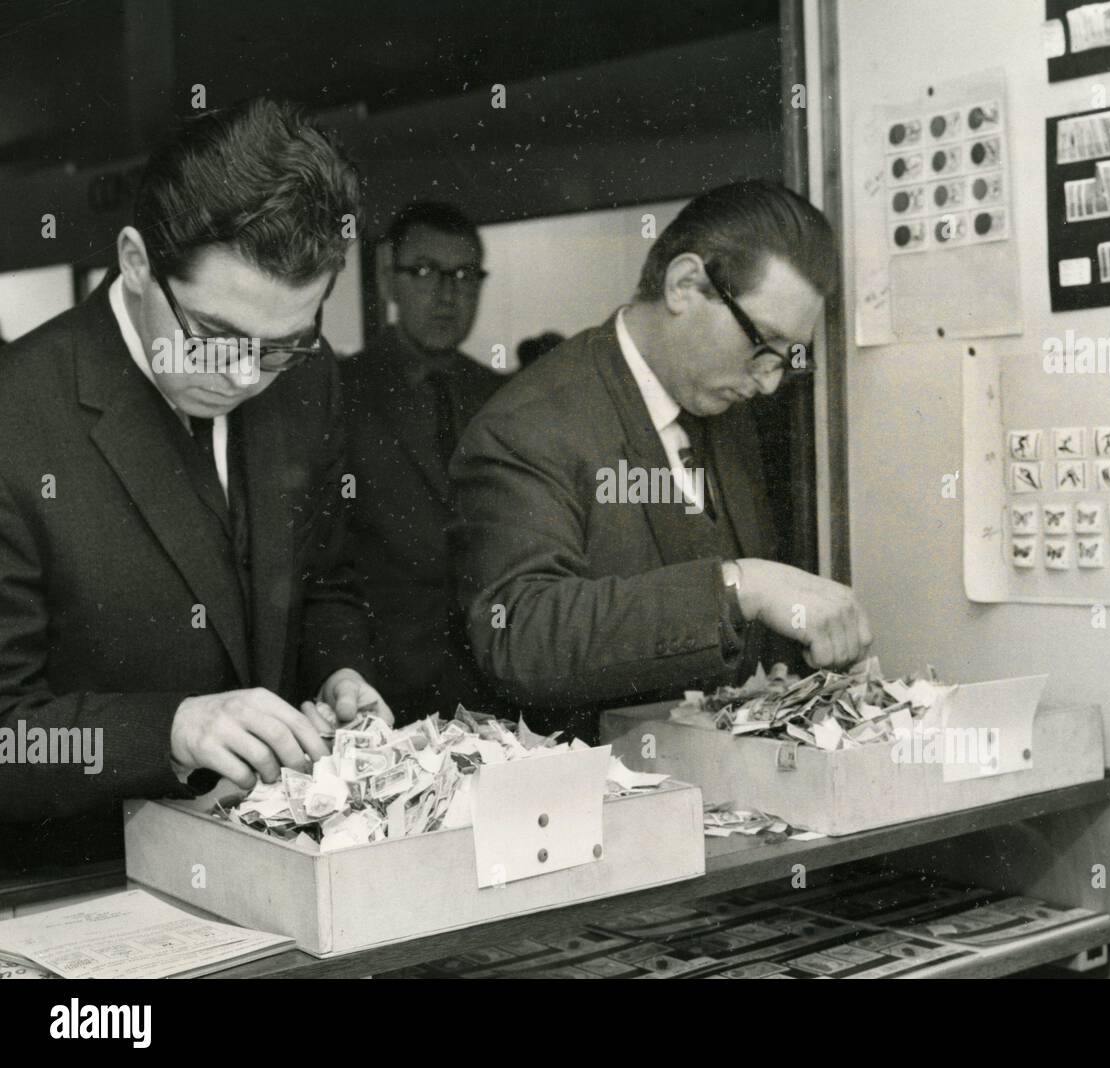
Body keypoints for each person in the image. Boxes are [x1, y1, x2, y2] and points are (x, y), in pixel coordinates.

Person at [0, 98, 389, 871]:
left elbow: (324, 583)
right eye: (214, 338)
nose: (246, 375)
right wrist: (173, 730)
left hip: (282, 871)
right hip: (80, 886)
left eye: (284, 343)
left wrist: (341, 678)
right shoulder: (18, 419)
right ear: (137, 261)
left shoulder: (308, 386)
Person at [452, 179, 871, 738]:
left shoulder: (728, 406)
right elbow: (520, 635)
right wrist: (736, 587)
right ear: (684, 284)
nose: (770, 382)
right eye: (761, 344)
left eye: (786, 358)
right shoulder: (527, 426)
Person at [341, 202, 509, 723]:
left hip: (495, 683)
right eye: (423, 272)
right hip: (381, 692)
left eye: (462, 275)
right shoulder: (340, 393)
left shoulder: (503, 395)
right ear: (388, 283)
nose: (446, 294)